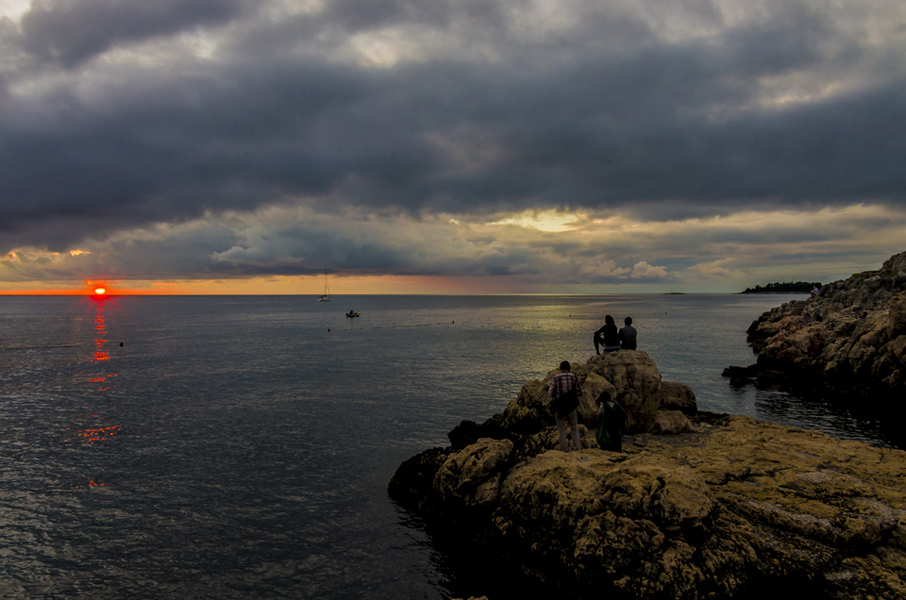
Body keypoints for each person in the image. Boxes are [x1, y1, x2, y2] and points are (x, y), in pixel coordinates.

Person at [548, 360, 583, 452]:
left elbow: (550, 393)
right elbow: (580, 392)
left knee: (561, 430)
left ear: (560, 369)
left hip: (560, 407)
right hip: (571, 407)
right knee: (574, 428)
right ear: (569, 368)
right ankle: (576, 448)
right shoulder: (574, 377)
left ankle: (564, 450)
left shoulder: (556, 378)